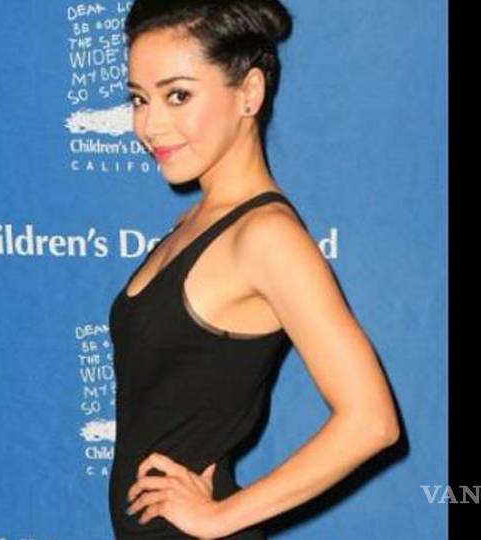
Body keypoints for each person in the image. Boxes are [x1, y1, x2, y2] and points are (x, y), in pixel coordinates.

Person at [108, 1, 400, 538]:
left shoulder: (266, 236)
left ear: (249, 92)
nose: (150, 125)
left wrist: (220, 515)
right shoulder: (198, 218)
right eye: (139, 99)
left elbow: (371, 421)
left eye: (178, 95)